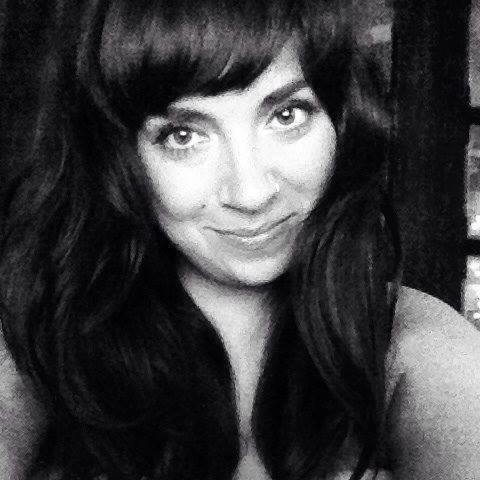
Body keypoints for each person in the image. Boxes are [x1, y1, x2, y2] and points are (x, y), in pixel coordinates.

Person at [1, 0, 480, 479]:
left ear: (341, 120)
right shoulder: (38, 345)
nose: (251, 194)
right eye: (183, 136)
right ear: (116, 157)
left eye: (287, 115)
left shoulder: (416, 347)